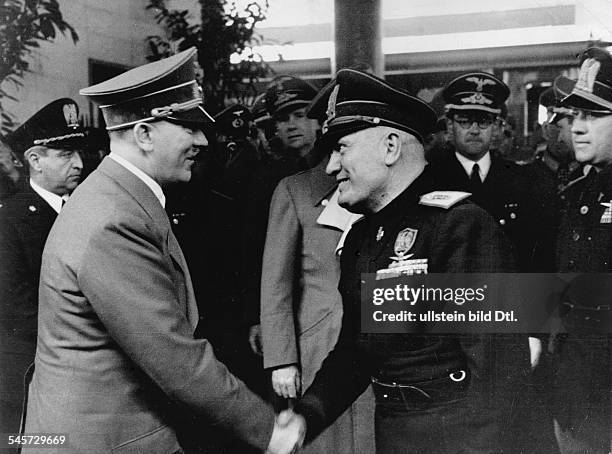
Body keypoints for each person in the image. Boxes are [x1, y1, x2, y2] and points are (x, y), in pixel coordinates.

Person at [21, 48, 303, 454]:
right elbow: (173, 357)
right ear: (144, 134)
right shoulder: (114, 219)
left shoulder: (120, 198)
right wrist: (270, 431)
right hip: (108, 440)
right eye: (188, 128)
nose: (203, 141)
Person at [291, 68, 530, 453]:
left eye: (342, 148)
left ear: (390, 147)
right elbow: (357, 352)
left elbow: (497, 376)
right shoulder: (361, 239)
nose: (331, 166)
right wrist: (306, 416)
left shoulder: (460, 227)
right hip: (396, 435)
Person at [260, 121, 373, 452]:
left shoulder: (385, 192)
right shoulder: (296, 190)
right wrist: (282, 358)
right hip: (317, 343)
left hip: (373, 341)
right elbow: (275, 283)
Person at [0, 98, 85, 447]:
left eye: (78, 153)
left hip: (78, 367)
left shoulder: (81, 209)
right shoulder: (10, 218)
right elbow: (13, 306)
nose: (79, 163)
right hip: (30, 369)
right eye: (65, 155)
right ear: (35, 160)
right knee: (33, 444)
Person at [430, 72, 556, 271]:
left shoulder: (523, 180)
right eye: (464, 121)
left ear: (496, 128)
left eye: (483, 121)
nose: (474, 130)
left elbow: (537, 254)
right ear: (449, 126)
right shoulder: (431, 179)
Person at [551, 47, 612, 454]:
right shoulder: (578, 192)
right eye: (574, 116)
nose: (577, 127)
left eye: (592, 116)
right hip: (576, 392)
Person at [243, 76, 323, 358]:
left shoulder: (340, 168)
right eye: (283, 119)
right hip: (287, 304)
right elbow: (256, 255)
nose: (291, 125)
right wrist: (260, 317)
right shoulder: (268, 181)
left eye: (300, 116)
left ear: (317, 120)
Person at [533, 80, 579, 192]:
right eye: (557, 127)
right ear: (545, 130)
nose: (561, 137)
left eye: (571, 126)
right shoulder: (527, 176)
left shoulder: (592, 175)